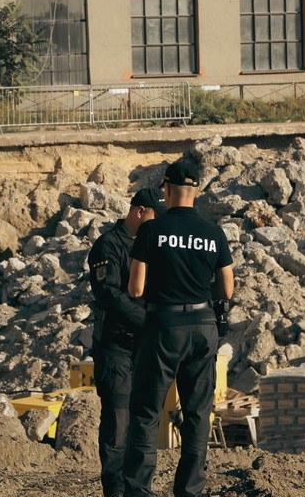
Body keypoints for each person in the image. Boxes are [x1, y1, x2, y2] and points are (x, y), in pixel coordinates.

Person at [123, 159, 234, 497]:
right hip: (203, 326)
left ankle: (139, 490)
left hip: (164, 327)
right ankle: (190, 490)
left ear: (166, 191)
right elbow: (227, 289)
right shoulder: (213, 233)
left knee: (146, 411)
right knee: (198, 413)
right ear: (196, 191)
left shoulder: (151, 230)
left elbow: (136, 289)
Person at [87, 187, 167, 497]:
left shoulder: (152, 246)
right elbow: (109, 296)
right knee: (118, 424)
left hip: (146, 348)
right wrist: (147, 321)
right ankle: (116, 490)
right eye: (153, 218)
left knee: (143, 425)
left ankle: (138, 489)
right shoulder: (108, 246)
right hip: (116, 348)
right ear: (139, 212)